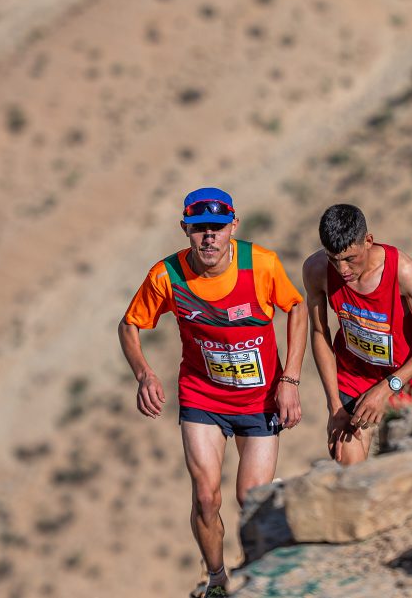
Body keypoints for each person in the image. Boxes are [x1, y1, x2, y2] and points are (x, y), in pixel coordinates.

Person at [118, 187, 307, 598]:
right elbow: (130, 324)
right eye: (200, 228)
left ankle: (264, 571)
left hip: (259, 400)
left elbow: (297, 307)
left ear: (232, 226)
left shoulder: (261, 264)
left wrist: (290, 380)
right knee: (205, 497)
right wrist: (144, 374)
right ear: (185, 229)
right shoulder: (167, 275)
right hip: (202, 395)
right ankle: (218, 579)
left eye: (217, 228)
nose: (209, 237)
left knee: (250, 499)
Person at [302, 204, 412, 466]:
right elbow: (319, 332)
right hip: (352, 380)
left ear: (368, 241)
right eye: (334, 259)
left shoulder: (402, 271)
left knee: (406, 470)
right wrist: (334, 406)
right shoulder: (316, 270)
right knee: (348, 468)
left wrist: (386, 388)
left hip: (402, 381)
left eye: (350, 259)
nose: (343, 270)